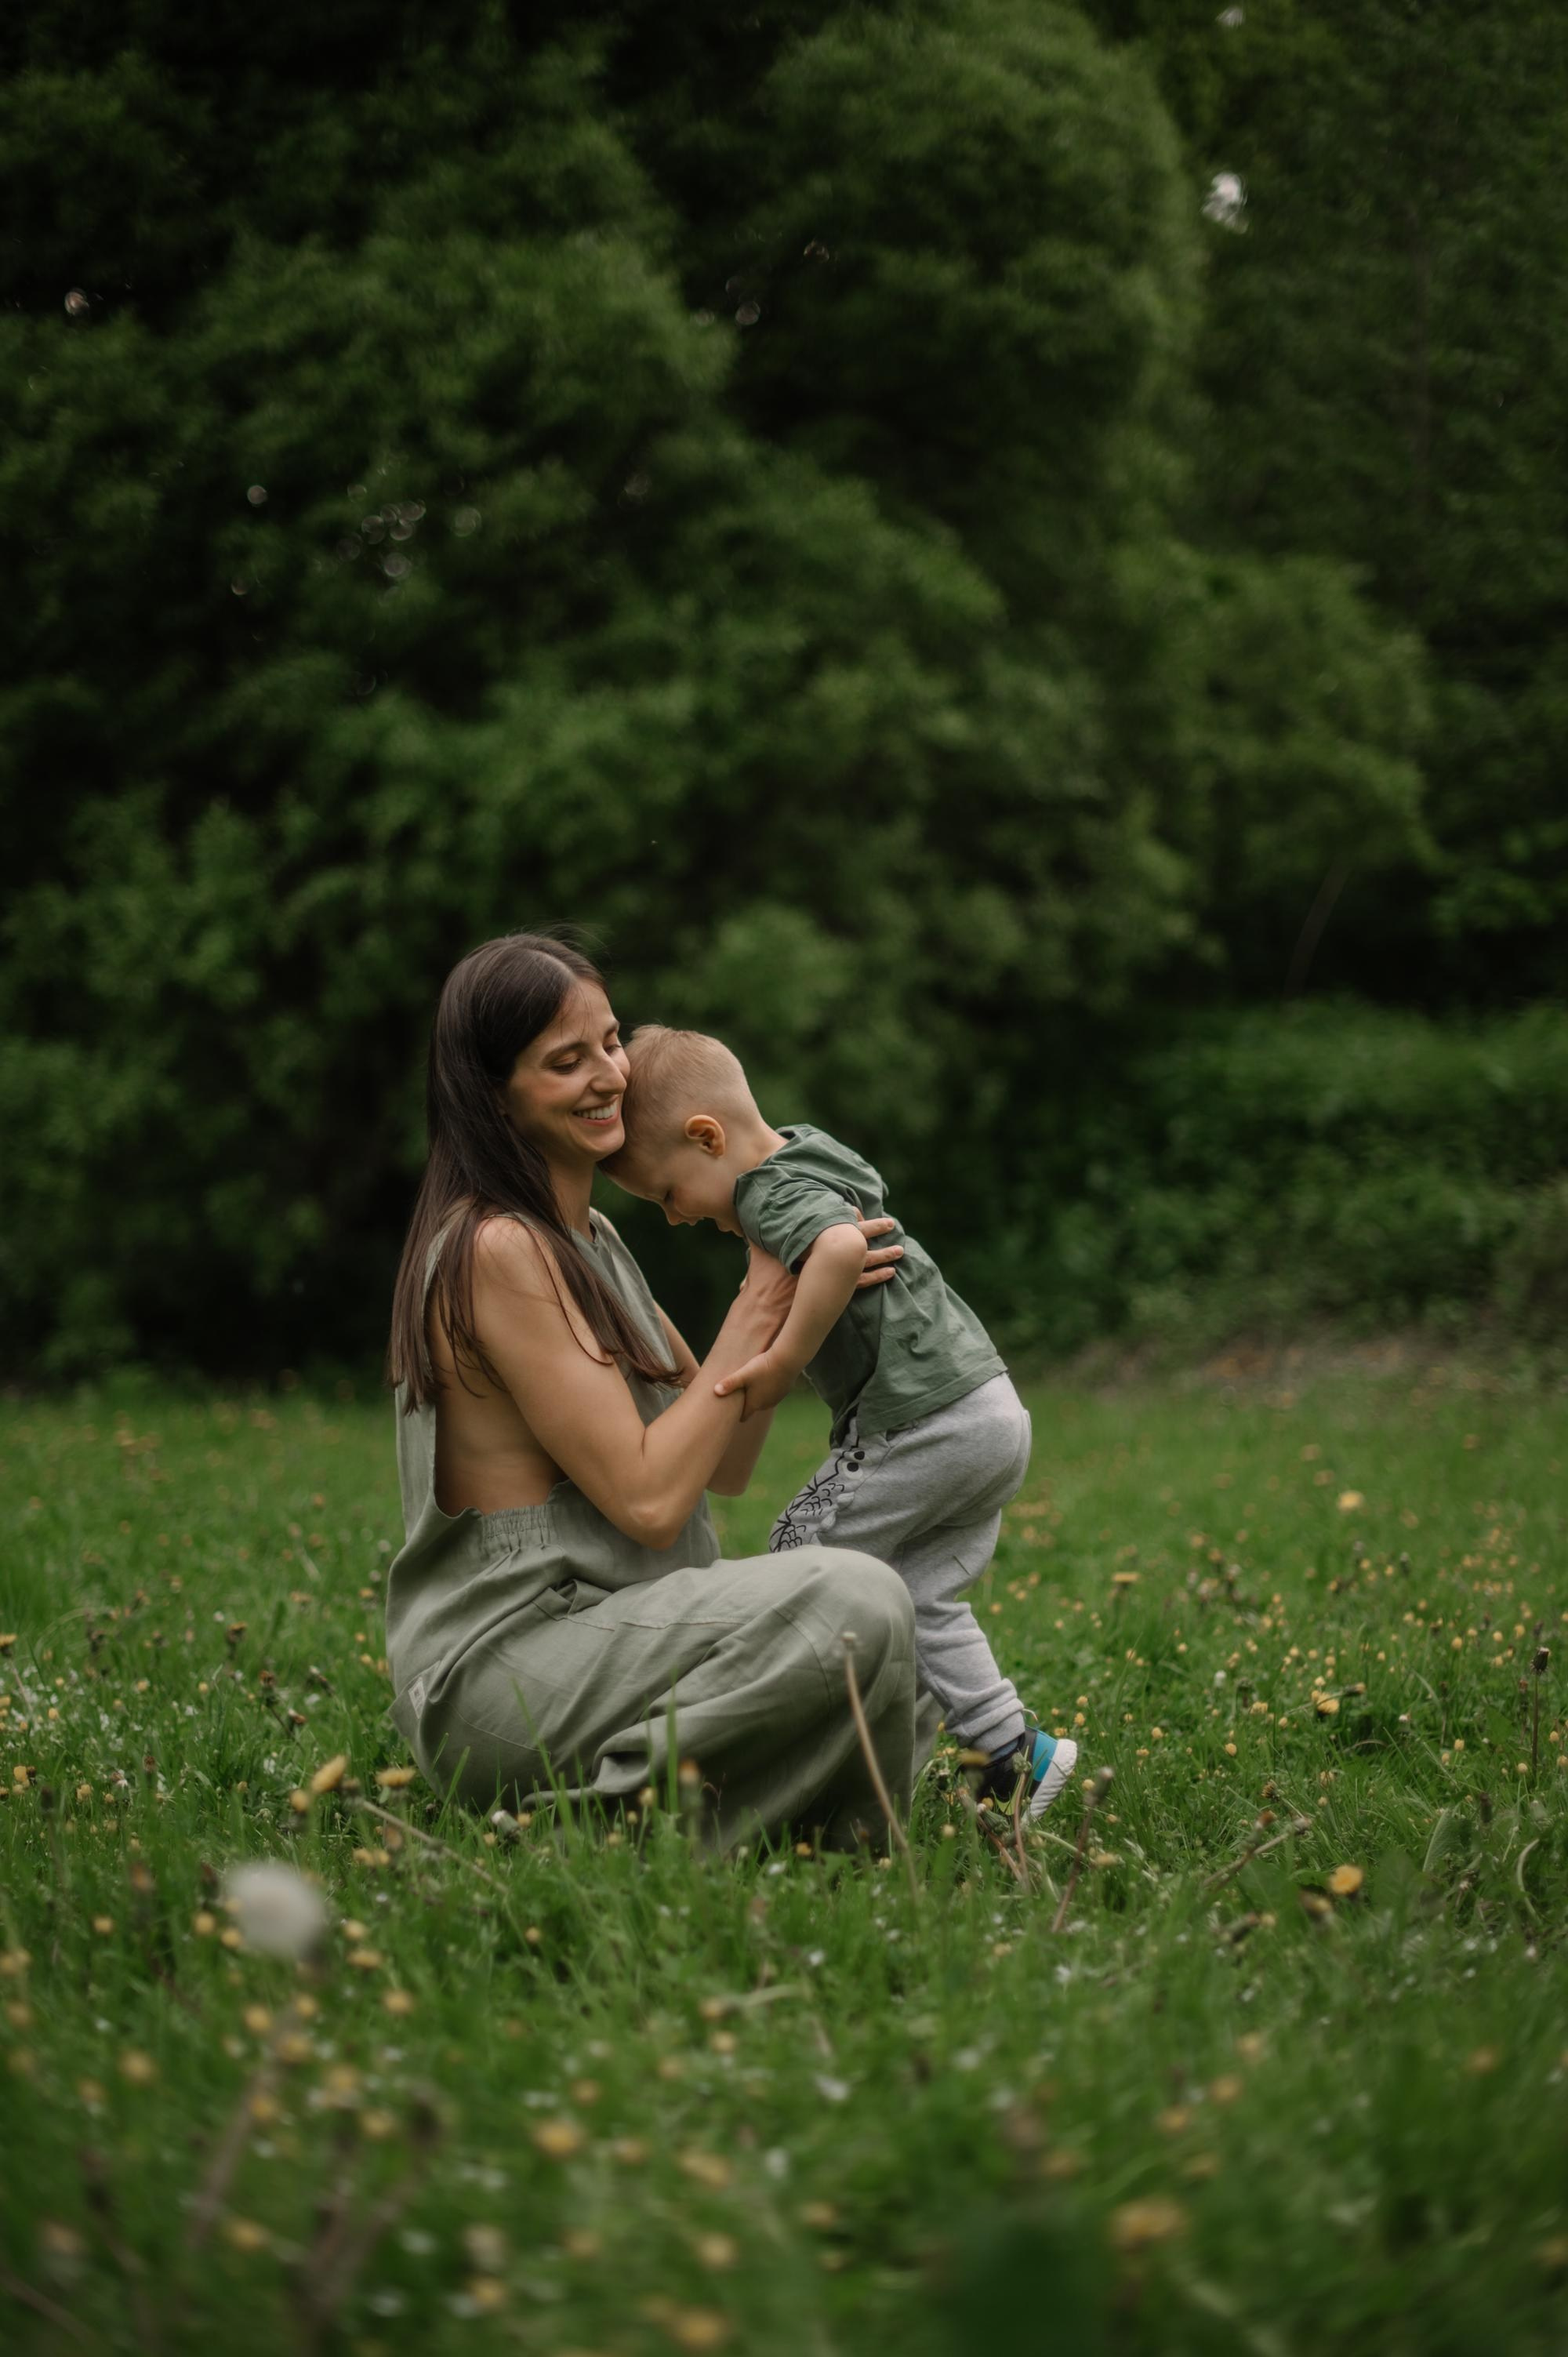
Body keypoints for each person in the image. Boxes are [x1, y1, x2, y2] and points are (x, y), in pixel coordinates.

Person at [382, 931, 920, 1848]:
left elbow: (727, 1455)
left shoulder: (588, 1234)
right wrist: (759, 1298)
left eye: (610, 1040)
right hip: (504, 1670)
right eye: (565, 1061)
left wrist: (793, 1276)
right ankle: (592, 1835)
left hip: (607, 1637)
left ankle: (823, 1844)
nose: (610, 1075)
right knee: (853, 1603)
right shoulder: (495, 1250)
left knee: (893, 1612)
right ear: (495, 1097)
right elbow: (649, 1499)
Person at [603, 1026, 1078, 1819]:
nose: (677, 1220)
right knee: (914, 1599)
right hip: (987, 1409)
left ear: (706, 1138)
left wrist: (787, 1360)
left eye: (666, 1195)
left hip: (919, 1423)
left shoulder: (764, 1191)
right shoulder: (808, 1149)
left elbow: (830, 1250)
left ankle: (800, 1762)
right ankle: (1010, 1756)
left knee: (800, 1560)